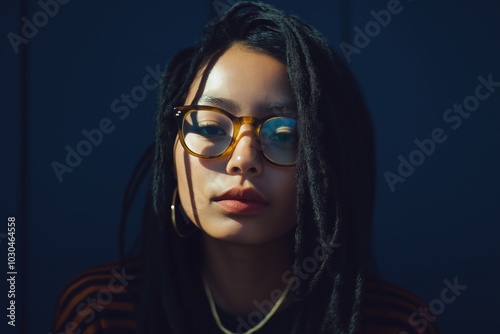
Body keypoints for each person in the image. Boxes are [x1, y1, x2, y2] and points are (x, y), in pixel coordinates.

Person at [51, 2, 440, 333]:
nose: (243, 160)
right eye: (209, 126)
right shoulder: (102, 312)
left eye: (285, 134)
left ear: (327, 165)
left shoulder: (397, 323)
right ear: (172, 147)